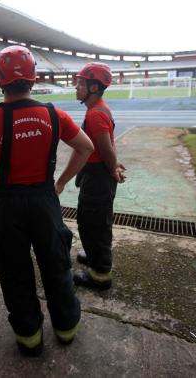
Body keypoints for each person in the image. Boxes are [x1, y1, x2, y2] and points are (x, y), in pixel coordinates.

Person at [0, 46, 94, 356]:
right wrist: (60, 182)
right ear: (34, 79)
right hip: (45, 200)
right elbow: (86, 147)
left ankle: (29, 337)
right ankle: (66, 329)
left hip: (7, 204)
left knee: (15, 273)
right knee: (56, 267)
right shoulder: (55, 115)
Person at [69, 62, 126, 291]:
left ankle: (100, 274)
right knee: (93, 220)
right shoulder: (98, 109)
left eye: (81, 83)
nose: (76, 87)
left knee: (94, 223)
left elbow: (105, 149)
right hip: (97, 174)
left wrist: (113, 168)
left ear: (94, 88)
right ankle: (94, 255)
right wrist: (113, 163)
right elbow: (108, 146)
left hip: (98, 177)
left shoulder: (95, 114)